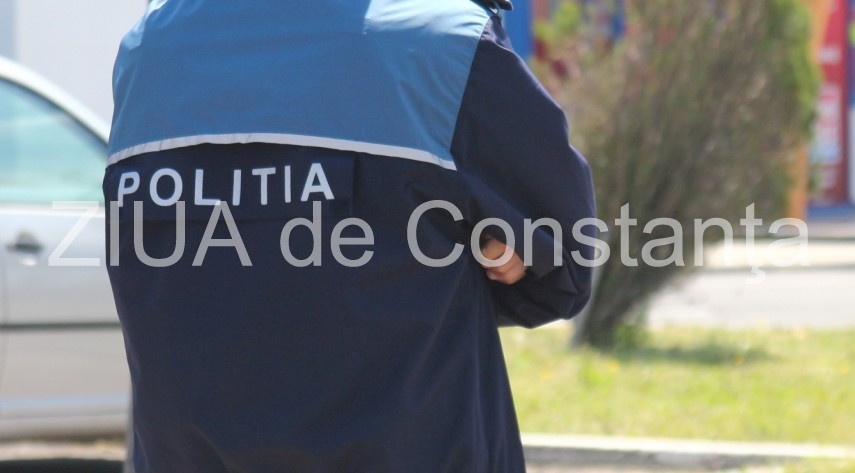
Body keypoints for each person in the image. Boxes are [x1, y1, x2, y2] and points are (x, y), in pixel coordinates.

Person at [104, 0, 595, 471]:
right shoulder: (444, 40)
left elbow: (149, 267)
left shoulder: (149, 45)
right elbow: (564, 256)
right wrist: (479, 253)